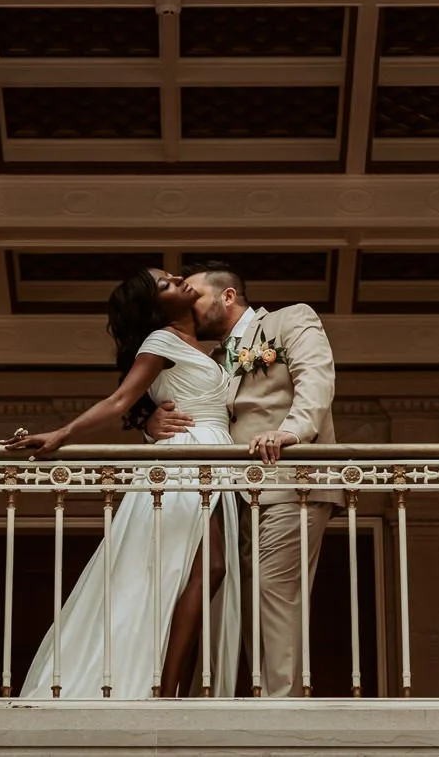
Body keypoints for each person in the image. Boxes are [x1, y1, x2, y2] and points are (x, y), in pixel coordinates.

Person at [3, 268, 241, 698]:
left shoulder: (204, 346)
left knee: (205, 570)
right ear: (154, 307)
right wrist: (61, 434)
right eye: (165, 285)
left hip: (212, 457)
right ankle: (165, 689)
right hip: (185, 464)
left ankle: (167, 684)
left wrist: (153, 426)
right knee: (208, 568)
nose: (176, 279)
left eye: (171, 275)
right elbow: (119, 401)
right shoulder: (160, 341)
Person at [144, 263, 338, 697]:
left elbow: (316, 378)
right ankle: (250, 699)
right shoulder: (207, 359)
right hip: (233, 497)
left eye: (193, 293)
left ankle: (280, 708)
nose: (187, 303)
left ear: (227, 296)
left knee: (274, 594)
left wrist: (294, 430)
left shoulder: (290, 320)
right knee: (243, 599)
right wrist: (152, 422)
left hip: (290, 482)